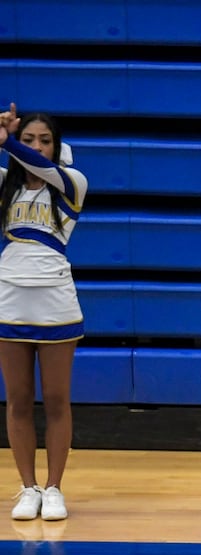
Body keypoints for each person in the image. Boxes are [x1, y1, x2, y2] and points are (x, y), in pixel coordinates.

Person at [0, 104, 87, 522]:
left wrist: (10, 143)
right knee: (17, 400)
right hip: (9, 300)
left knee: (55, 399)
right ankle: (28, 487)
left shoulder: (71, 183)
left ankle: (54, 487)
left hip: (55, 301)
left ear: (57, 146)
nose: (36, 147)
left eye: (44, 140)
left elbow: (36, 164)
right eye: (29, 139)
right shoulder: (5, 187)